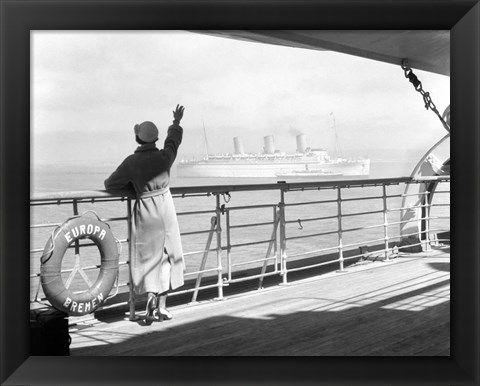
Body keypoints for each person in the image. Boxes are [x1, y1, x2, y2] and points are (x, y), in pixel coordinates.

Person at [104, 105, 185, 325]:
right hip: (166, 207)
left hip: (146, 209)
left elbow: (110, 184)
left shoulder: (131, 162)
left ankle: (149, 296)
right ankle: (163, 307)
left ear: (138, 139)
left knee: (149, 257)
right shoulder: (164, 157)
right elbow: (173, 142)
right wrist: (176, 122)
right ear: (155, 139)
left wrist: (134, 186)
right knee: (168, 255)